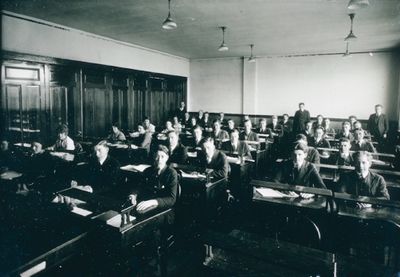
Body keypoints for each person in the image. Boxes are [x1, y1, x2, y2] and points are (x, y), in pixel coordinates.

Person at [135, 145, 178, 214]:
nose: (159, 160)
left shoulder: (171, 173)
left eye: (162, 157)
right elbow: (139, 186)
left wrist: (153, 201)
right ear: (154, 157)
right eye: (157, 156)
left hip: (163, 210)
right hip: (146, 206)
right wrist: (134, 194)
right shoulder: (148, 171)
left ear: (167, 158)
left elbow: (171, 199)